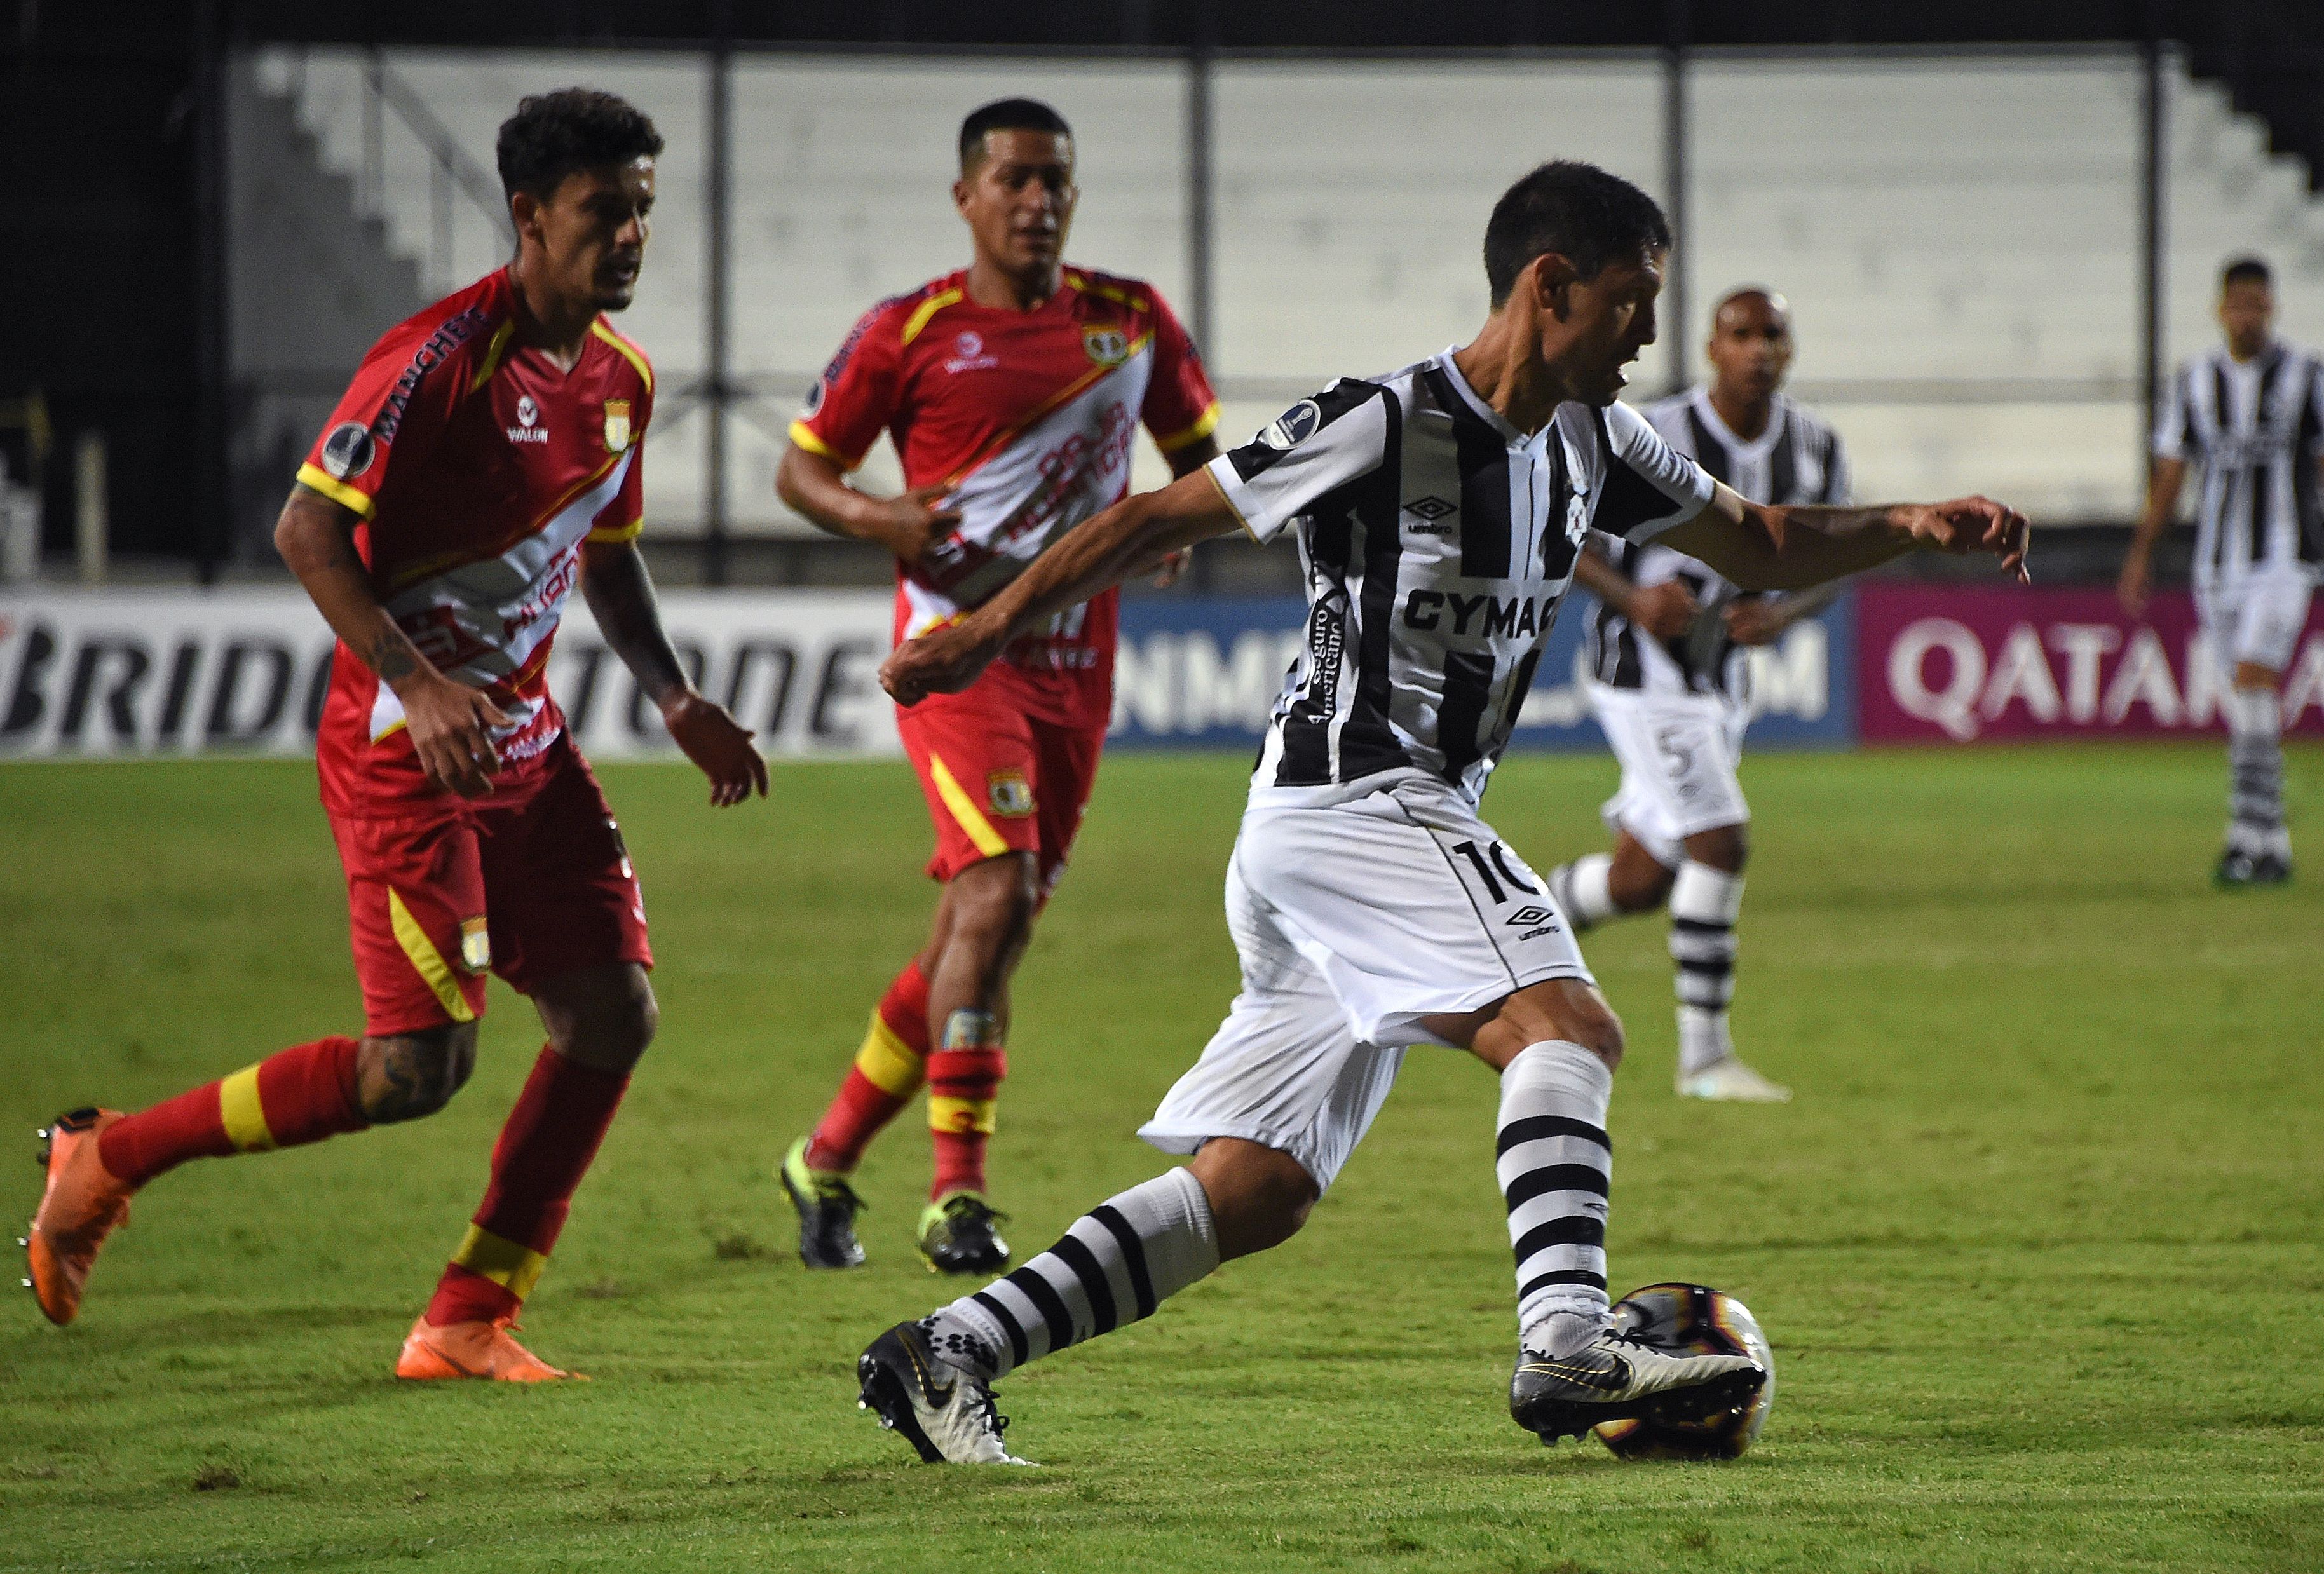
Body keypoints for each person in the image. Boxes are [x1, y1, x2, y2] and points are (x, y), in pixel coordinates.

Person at [850, 160, 2027, 1463]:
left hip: (1335, 831)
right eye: (1630, 300)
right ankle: (1566, 1338)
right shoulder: (1381, 420)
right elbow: (1150, 517)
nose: (1646, 331)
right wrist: (983, 630)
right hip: (1357, 798)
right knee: (1567, 1025)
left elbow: (1760, 541)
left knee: (1258, 1184)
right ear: (1550, 286)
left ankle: (948, 1346)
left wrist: (1908, 522)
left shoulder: (1592, 441)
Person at [21, 89, 766, 1380]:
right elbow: (306, 528)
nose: (631, 235)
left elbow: (607, 551)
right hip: (403, 749)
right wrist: (419, 686)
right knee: (413, 1070)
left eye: (643, 209)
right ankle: (109, 1153)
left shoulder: (623, 381)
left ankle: (467, 1316)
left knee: (612, 1013)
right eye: (603, 210)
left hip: (522, 743)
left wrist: (672, 694)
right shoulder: (439, 359)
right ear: (529, 215)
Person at [771, 98, 1220, 1273]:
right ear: (965, 196)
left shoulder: (1131, 319)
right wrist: (878, 515)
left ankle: (823, 1157)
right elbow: (801, 470)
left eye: (1054, 180)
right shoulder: (909, 330)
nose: (1036, 200)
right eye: (1014, 179)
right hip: (956, 654)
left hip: (1078, 664)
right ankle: (956, 1195)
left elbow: (1202, 457)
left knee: (982, 929)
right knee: (998, 892)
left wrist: (1174, 522)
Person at [1545, 286, 1852, 1102]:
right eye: (1741, 335)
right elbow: (1563, 532)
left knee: (1642, 880)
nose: (1758, 350)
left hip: (1721, 680)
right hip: (1642, 670)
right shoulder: (1651, 432)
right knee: (1720, 841)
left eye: (1772, 335)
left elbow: (1838, 557)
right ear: (1713, 349)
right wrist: (1633, 598)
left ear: (1790, 348)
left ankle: (1516, 920)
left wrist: (1785, 612)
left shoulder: (1815, 447)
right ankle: (1705, 1061)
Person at [2119, 255, 2323, 886]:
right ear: (2220, 309)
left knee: (2256, 678)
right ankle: (2269, 841)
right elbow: (2170, 474)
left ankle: (2244, 836)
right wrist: (2142, 553)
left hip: (2285, 559)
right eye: (2238, 305)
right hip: (2217, 566)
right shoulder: (2195, 381)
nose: (2247, 316)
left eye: (2257, 305)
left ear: (2272, 308)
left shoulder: (2306, 377)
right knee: (2245, 696)